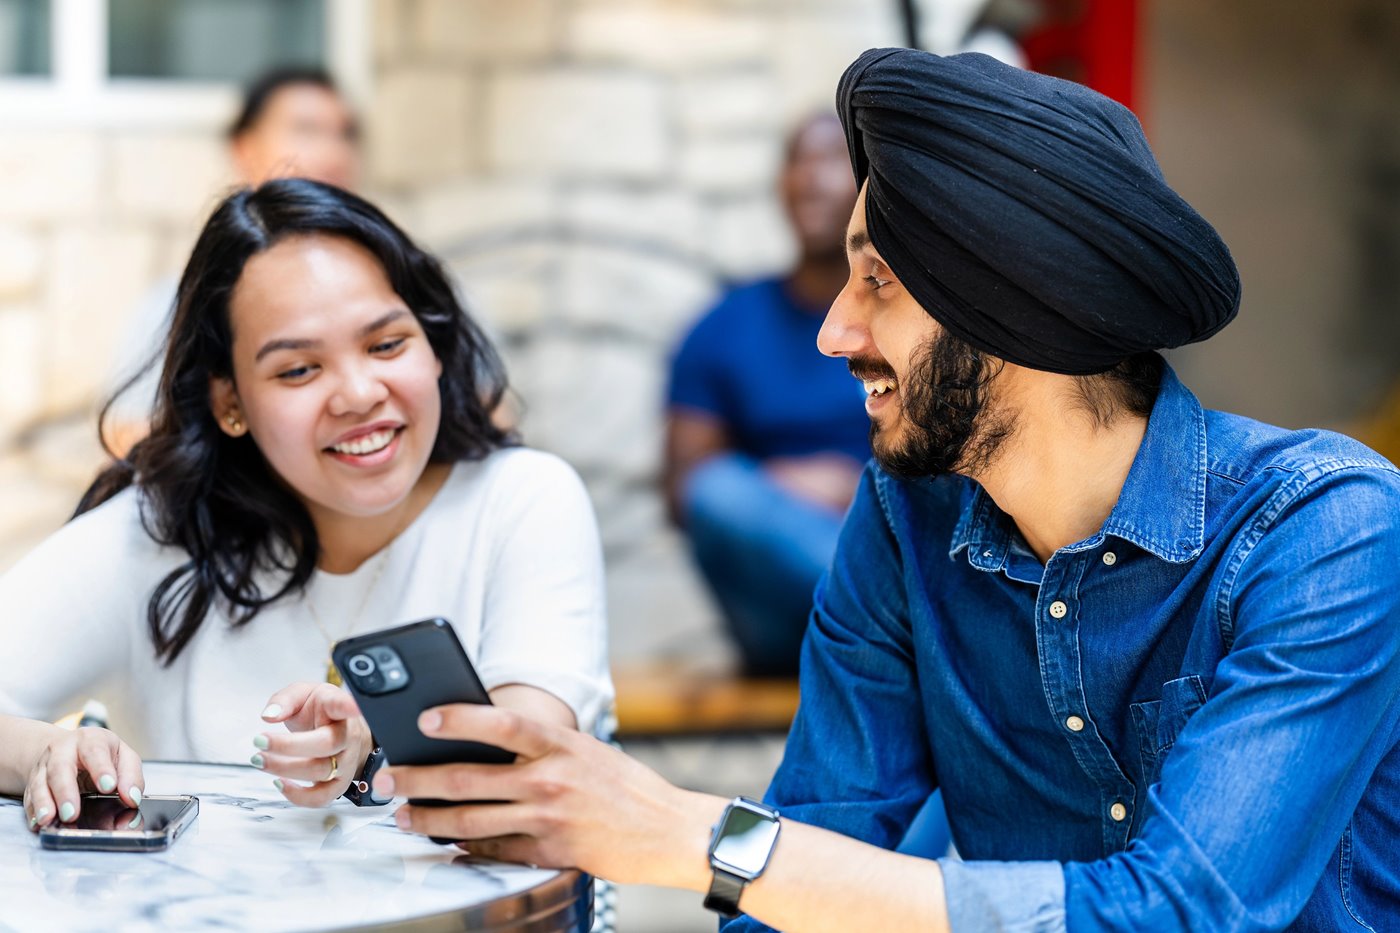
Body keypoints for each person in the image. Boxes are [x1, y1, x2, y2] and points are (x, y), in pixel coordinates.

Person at [361, 49, 1400, 932]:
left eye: (879, 284)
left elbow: (1179, 913)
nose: (833, 334)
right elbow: (811, 843)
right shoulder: (905, 521)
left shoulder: (1327, 532)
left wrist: (686, 833)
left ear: (1015, 300)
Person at [1, 179, 611, 829]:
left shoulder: (524, 502)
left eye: (386, 344)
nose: (356, 393)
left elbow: (530, 759)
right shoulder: (157, 532)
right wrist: (43, 751)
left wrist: (375, 738)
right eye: (298, 369)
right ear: (229, 402)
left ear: (434, 344)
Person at [665, 112, 867, 676]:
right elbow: (688, 495)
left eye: (832, 160)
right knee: (721, 491)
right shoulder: (723, 327)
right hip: (777, 613)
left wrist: (853, 488)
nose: (811, 179)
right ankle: (894, 617)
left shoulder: (910, 322)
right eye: (798, 161)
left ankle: (885, 611)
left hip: (879, 534)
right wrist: (779, 490)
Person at [105, 67, 361, 453]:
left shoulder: (404, 280)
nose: (333, 152)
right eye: (307, 130)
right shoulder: (177, 305)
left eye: (344, 134)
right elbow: (127, 435)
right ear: (245, 148)